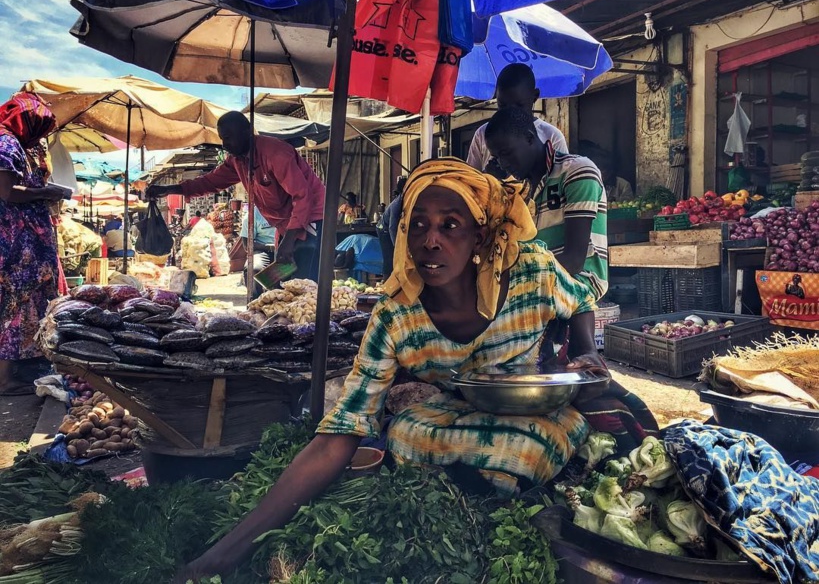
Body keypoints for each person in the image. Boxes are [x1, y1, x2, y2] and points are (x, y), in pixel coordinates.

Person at [177, 159, 658, 580]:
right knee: (404, 432)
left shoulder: (528, 271)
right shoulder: (397, 314)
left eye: (451, 225)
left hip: (531, 402)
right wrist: (222, 556)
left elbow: (580, 300)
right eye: (419, 225)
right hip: (454, 409)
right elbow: (339, 434)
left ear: (480, 236)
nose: (430, 240)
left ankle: (499, 490)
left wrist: (586, 351)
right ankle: (485, 490)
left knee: (538, 442)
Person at [147, 111, 325, 281]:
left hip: (310, 216)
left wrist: (288, 241)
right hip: (285, 223)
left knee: (305, 282)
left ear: (247, 131)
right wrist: (171, 189)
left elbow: (303, 197)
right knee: (284, 283)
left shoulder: (275, 153)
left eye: (229, 137)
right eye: (222, 138)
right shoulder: (237, 161)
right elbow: (209, 182)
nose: (225, 144)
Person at [485, 107, 608, 301]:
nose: (503, 163)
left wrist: (516, 283)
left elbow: (575, 261)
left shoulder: (577, 171)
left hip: (578, 285)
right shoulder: (519, 191)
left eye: (506, 153)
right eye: (497, 158)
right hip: (539, 285)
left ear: (529, 138)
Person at [0, 93, 64, 394]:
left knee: (25, 303)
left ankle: (22, 369)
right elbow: (7, 192)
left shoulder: (19, 145)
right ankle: (5, 379)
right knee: (15, 303)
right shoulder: (6, 143)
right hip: (17, 243)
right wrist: (45, 193)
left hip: (27, 240)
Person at [466, 63, 568, 176]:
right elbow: (470, 182)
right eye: (503, 106)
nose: (510, 113)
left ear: (534, 96)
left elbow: (561, 182)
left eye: (519, 106)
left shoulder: (552, 136)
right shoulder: (483, 134)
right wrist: (488, 176)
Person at [241, 206, 277, 298]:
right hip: (263, 250)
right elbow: (247, 244)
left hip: (284, 248)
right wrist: (269, 247)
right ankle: (257, 300)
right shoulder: (253, 214)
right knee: (254, 268)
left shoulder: (286, 208)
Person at [376, 176, 407, 277]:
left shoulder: (406, 201)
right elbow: (392, 227)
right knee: (389, 256)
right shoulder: (397, 204)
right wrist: (396, 245)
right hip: (383, 230)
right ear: (405, 189)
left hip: (390, 229)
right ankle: (387, 281)